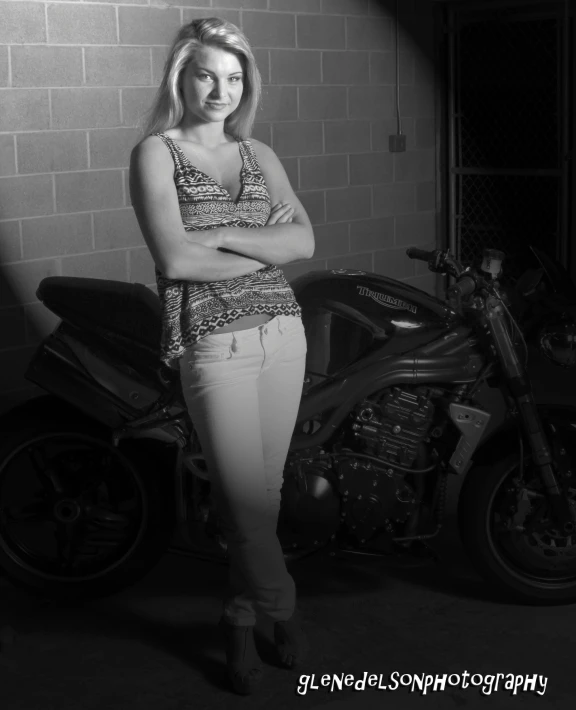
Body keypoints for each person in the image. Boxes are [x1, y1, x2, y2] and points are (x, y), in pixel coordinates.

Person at [129, 17, 314, 696]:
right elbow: (174, 256)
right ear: (183, 75)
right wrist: (258, 237)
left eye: (234, 77)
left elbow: (305, 243)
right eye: (207, 73)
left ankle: (240, 625)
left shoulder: (259, 154)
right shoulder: (156, 153)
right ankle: (284, 607)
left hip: (283, 336)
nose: (221, 89)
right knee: (242, 509)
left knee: (260, 501)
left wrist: (223, 234)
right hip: (214, 346)